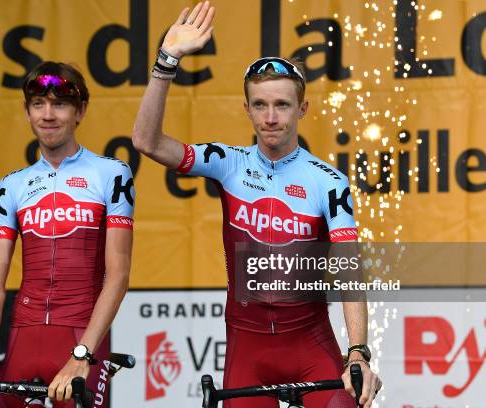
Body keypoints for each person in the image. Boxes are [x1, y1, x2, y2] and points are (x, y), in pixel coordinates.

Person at [132, 2, 382, 407]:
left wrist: (358, 351)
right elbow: (146, 141)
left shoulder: (328, 181)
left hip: (310, 344)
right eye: (260, 105)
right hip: (248, 349)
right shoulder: (228, 163)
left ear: (302, 109)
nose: (270, 117)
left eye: (282, 105)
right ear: (246, 109)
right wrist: (167, 60)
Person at [0, 61, 135, 407]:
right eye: (39, 103)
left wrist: (82, 356)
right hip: (24, 334)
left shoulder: (112, 173)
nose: (48, 114)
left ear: (80, 111)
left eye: (60, 104)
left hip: (80, 334)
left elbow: (118, 276)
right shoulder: (12, 185)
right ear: (27, 112)